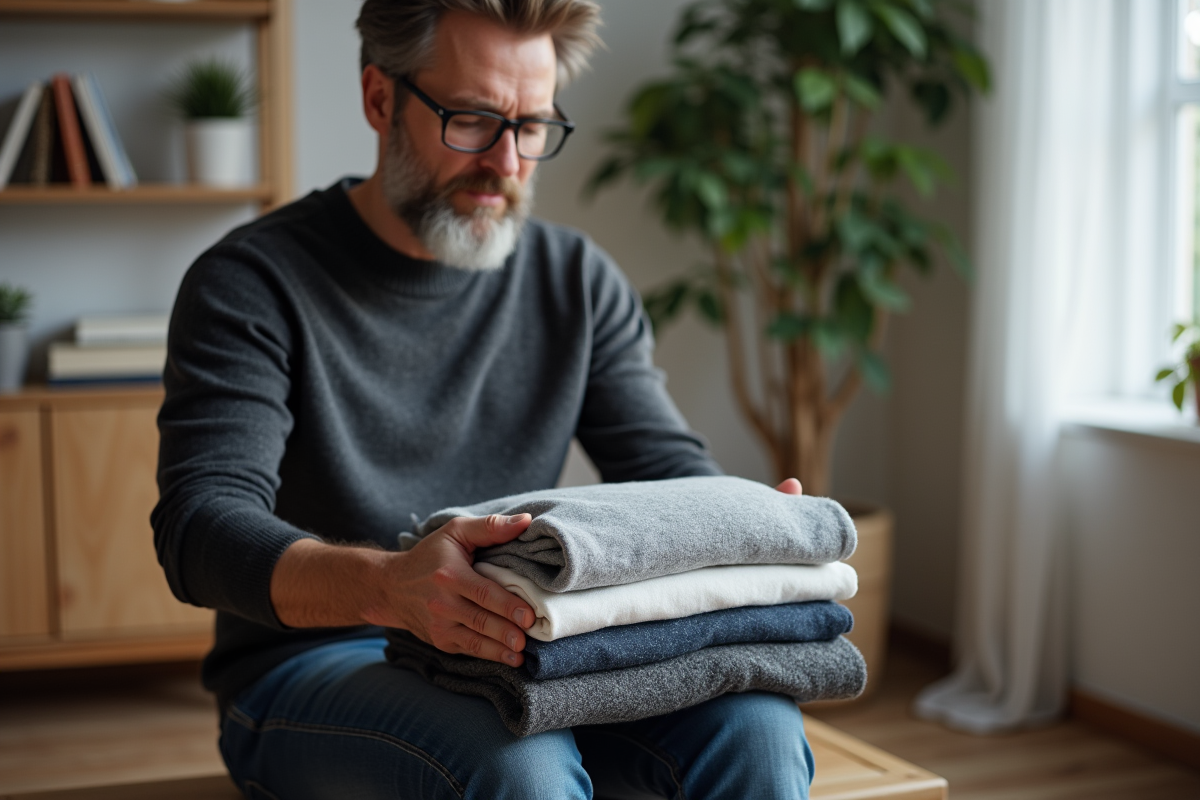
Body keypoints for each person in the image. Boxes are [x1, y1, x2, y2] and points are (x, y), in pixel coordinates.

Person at [152, 1, 814, 797]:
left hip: (536, 652)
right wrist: (388, 587)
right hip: (313, 660)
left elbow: (663, 463)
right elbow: (200, 527)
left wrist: (735, 520)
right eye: (472, 119)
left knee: (759, 732)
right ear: (379, 98)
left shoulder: (576, 281)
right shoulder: (252, 283)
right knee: (516, 765)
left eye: (532, 126)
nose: (506, 162)